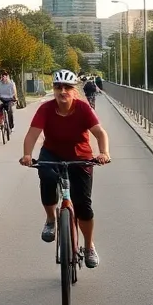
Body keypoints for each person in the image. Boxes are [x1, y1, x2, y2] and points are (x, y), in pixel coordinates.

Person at [19, 69, 111, 268]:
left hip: (80, 156)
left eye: (67, 87)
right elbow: (32, 134)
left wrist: (103, 152)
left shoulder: (83, 109)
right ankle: (51, 220)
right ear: (53, 89)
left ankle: (88, 247)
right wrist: (27, 155)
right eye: (58, 87)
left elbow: (100, 133)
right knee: (46, 176)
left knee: (83, 206)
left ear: (74, 90)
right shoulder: (46, 109)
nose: (62, 91)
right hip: (52, 153)